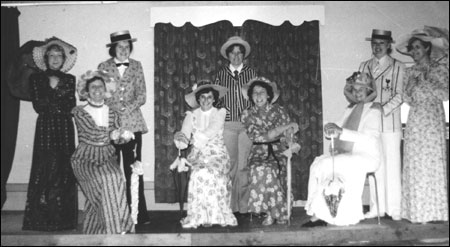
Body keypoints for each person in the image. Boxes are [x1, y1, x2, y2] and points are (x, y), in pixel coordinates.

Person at [304, 72, 382, 227]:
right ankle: (318, 210)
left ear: (368, 91)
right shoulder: (349, 109)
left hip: (366, 155)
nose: (358, 93)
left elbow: (369, 138)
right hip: (348, 153)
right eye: (354, 89)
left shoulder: (374, 109)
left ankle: (337, 215)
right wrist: (329, 128)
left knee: (330, 164)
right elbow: (336, 127)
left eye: (362, 89)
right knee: (319, 163)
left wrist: (341, 131)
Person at [345, 29, 405, 221]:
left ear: (389, 45)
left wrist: (384, 107)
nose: (377, 47)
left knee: (392, 166)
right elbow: (358, 91)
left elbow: (400, 94)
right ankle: (376, 208)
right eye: (374, 43)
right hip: (369, 123)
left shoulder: (398, 66)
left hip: (390, 123)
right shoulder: (364, 65)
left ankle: (394, 208)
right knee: (373, 165)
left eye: (381, 43)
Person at [22, 37, 78, 231]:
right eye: (52, 55)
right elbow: (40, 106)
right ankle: (40, 219)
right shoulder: (36, 79)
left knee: (64, 168)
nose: (55, 58)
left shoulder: (70, 79)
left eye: (59, 55)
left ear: (64, 59)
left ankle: (65, 219)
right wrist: (53, 89)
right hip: (45, 127)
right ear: (45, 58)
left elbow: (69, 106)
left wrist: (54, 92)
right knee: (44, 166)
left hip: (64, 128)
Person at [396, 27, 449, 224]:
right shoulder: (410, 72)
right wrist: (410, 88)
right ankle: (417, 212)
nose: (414, 51)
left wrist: (426, 81)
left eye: (418, 47)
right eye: (412, 48)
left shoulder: (440, 68)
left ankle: (435, 212)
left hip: (433, 118)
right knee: (416, 163)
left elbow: (445, 94)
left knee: (432, 163)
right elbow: (407, 98)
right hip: (415, 118)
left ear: (427, 48)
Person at [71, 70, 134, 234]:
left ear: (106, 89)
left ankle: (97, 231)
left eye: (100, 86)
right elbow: (92, 134)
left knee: (115, 178)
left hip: (107, 157)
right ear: (86, 90)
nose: (97, 90)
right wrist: (113, 134)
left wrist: (123, 137)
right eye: (93, 87)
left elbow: (115, 138)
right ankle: (114, 230)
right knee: (106, 182)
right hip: (85, 160)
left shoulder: (113, 112)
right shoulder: (78, 111)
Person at [98, 30, 150, 224]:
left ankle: (138, 214)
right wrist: (115, 108)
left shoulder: (137, 66)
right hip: (111, 123)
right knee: (111, 170)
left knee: (133, 169)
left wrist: (126, 108)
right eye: (120, 47)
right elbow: (101, 93)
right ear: (113, 49)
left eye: (127, 47)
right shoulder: (103, 67)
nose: (124, 50)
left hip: (133, 122)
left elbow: (142, 95)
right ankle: (113, 214)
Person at [173, 81, 238, 229]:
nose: (206, 100)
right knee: (199, 173)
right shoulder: (191, 115)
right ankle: (200, 216)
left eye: (209, 97)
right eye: (202, 97)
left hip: (218, 154)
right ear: (198, 99)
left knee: (212, 171)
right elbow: (185, 134)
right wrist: (181, 139)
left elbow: (212, 130)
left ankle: (216, 215)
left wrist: (192, 140)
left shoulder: (220, 113)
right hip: (198, 155)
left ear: (214, 98)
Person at [241, 77, 300, 225]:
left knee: (274, 169)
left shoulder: (280, 110)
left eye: (262, 92)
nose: (258, 96)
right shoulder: (247, 114)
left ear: (269, 95)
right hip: (258, 151)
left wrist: (291, 140)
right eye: (255, 93)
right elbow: (259, 136)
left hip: (279, 150)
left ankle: (279, 211)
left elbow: (289, 133)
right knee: (260, 169)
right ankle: (270, 212)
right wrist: (283, 128)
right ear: (250, 96)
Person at [214, 36, 257, 214]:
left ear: (243, 55)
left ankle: (244, 206)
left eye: (239, 53)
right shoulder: (221, 75)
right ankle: (229, 206)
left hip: (246, 125)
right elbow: (215, 100)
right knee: (230, 165)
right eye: (233, 53)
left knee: (243, 165)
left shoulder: (252, 74)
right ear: (228, 55)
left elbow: (257, 98)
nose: (236, 56)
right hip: (228, 125)